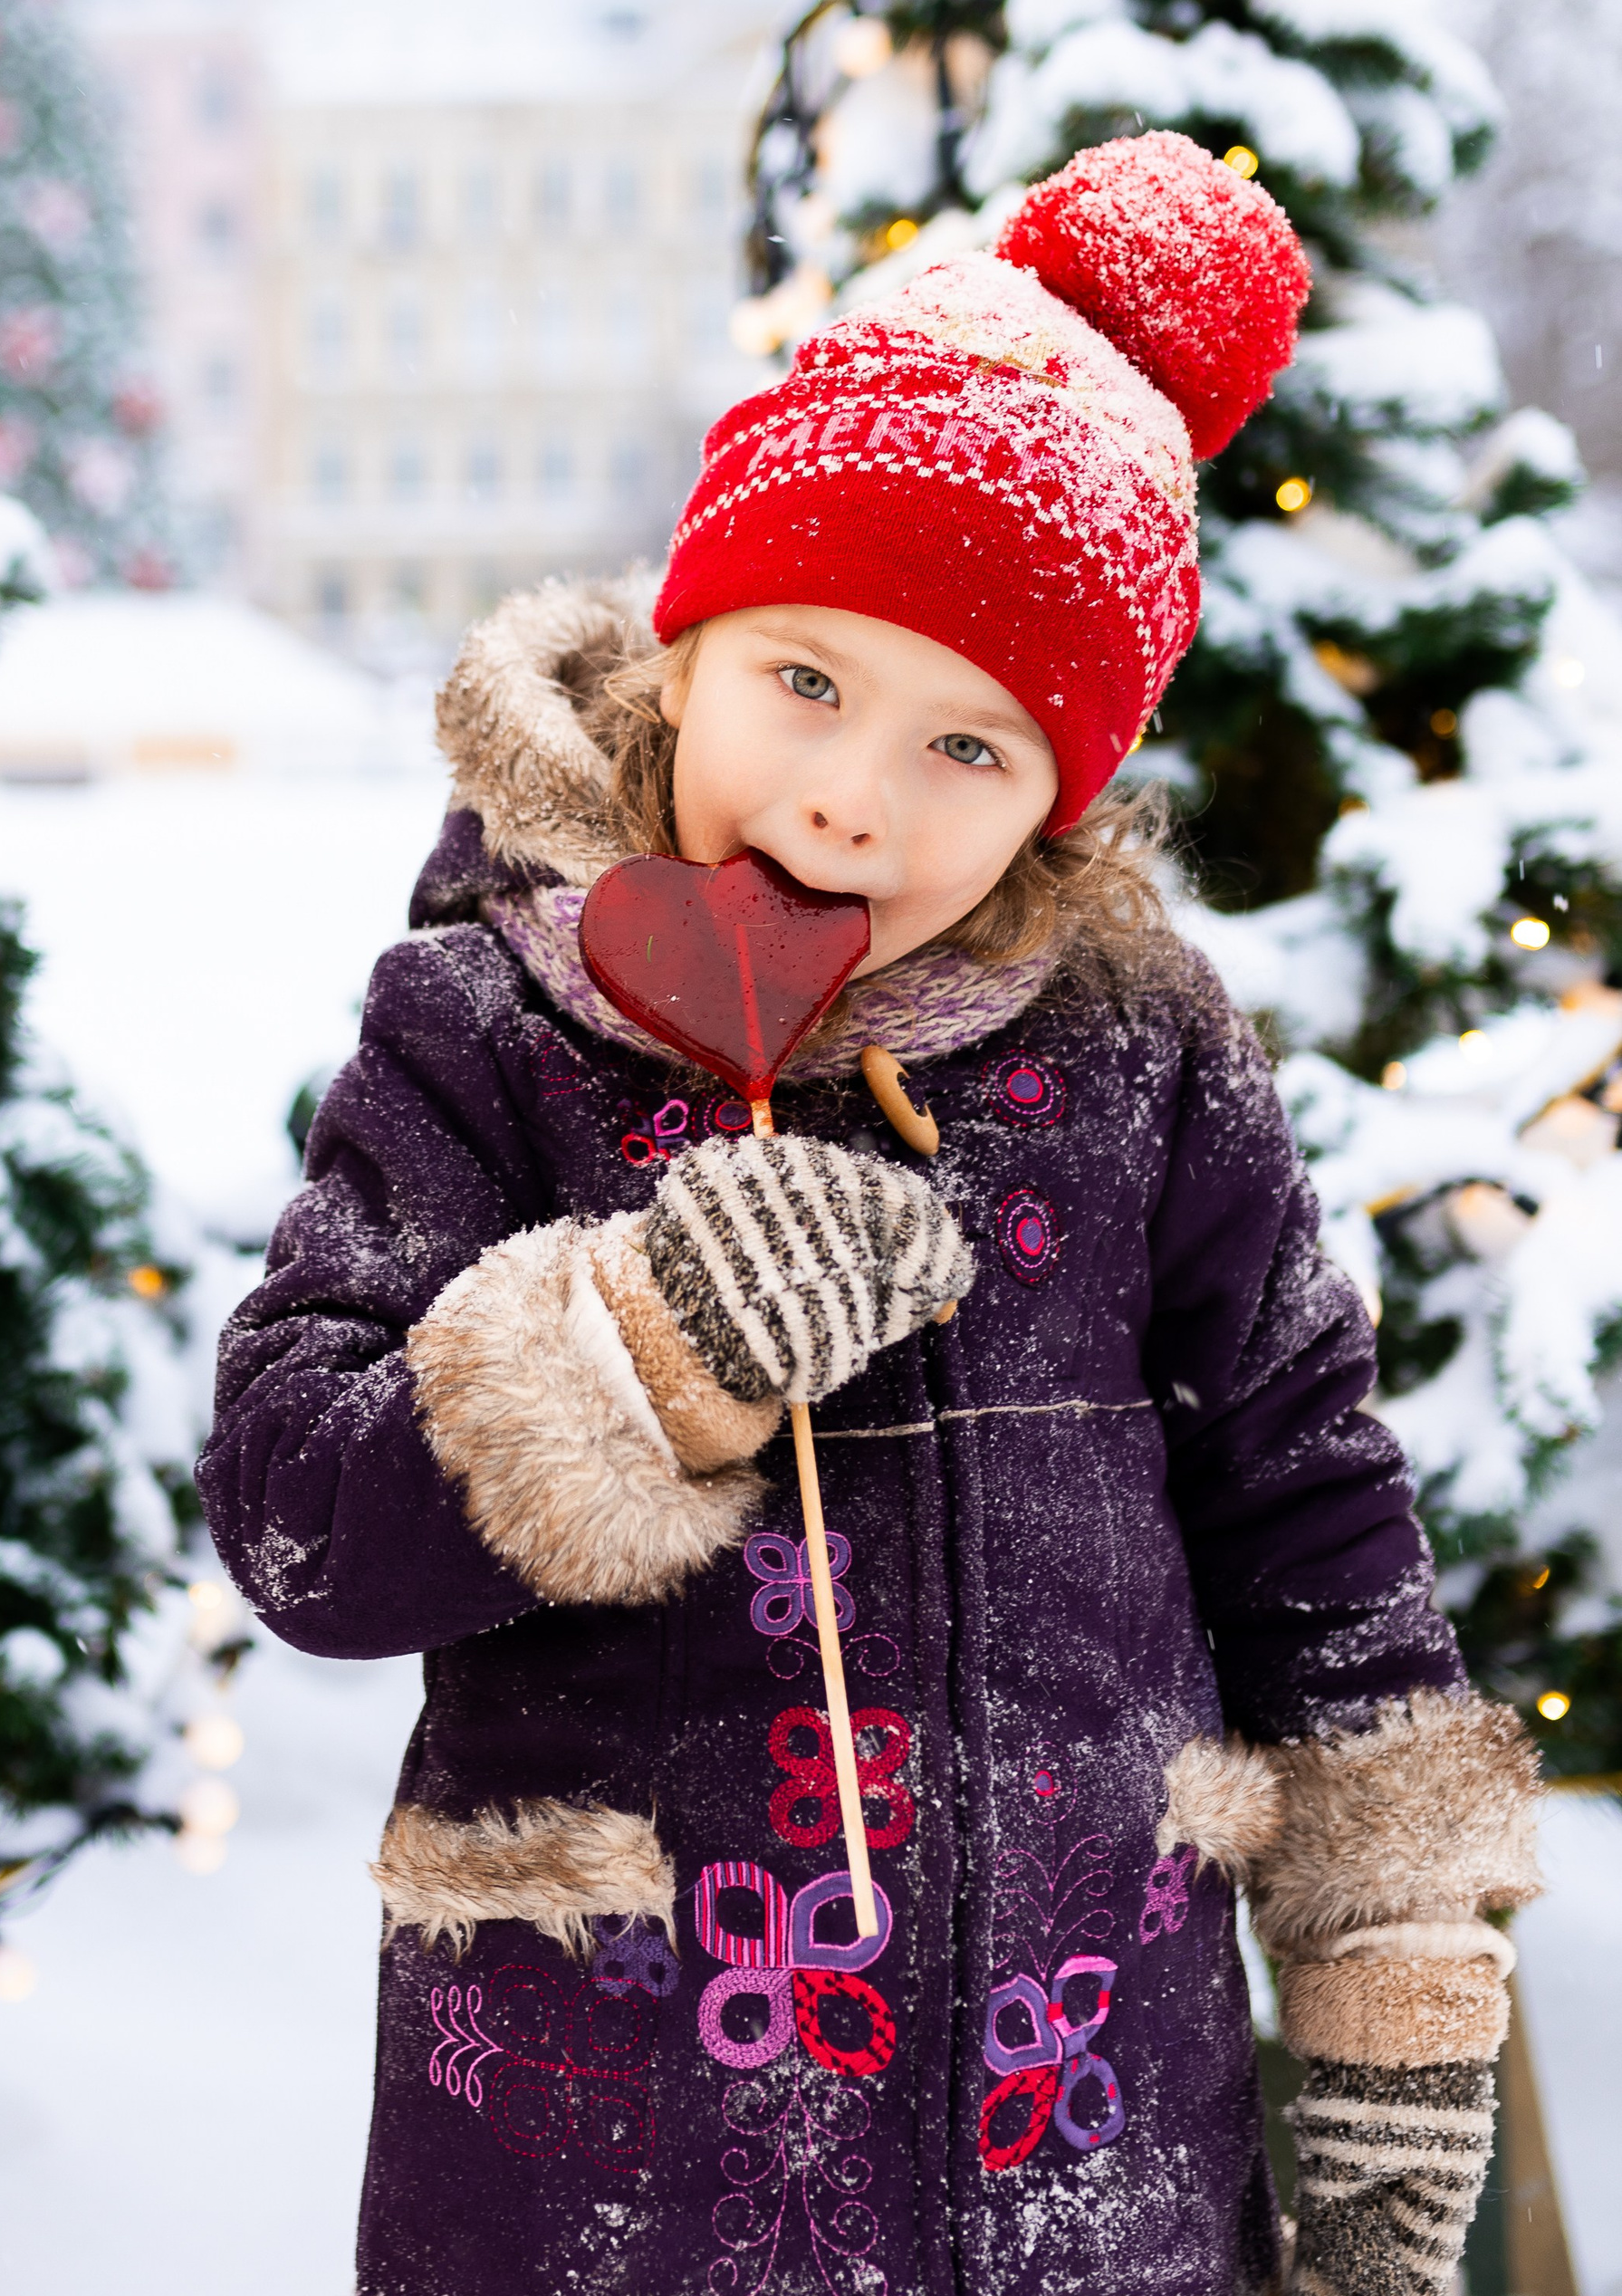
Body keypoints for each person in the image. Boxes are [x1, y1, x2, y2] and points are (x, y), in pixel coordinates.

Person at [199, 133, 1540, 2296]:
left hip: (1085, 2151)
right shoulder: (488, 1018)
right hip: (595, 2173)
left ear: (1062, 792)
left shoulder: (1139, 1056)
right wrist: (628, 1358)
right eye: (803, 681)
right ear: (690, 637)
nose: (848, 793)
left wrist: (1387, 1992)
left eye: (966, 746)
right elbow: (293, 1511)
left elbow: (1311, 1518)